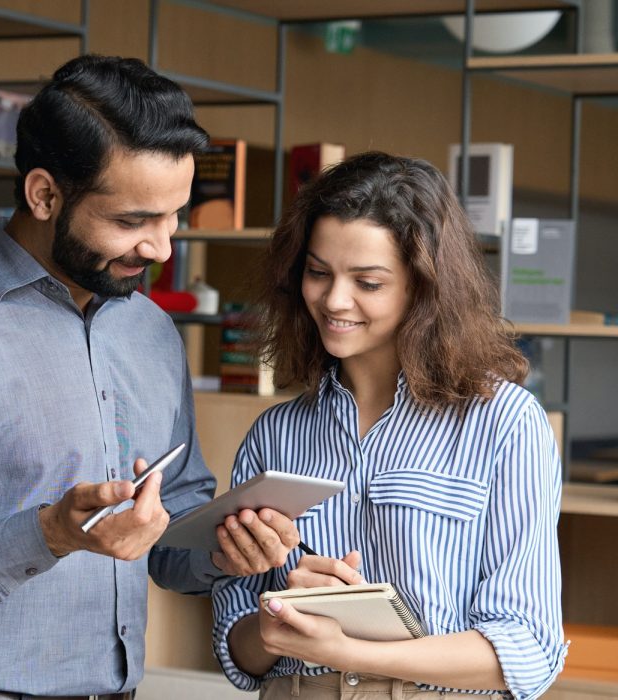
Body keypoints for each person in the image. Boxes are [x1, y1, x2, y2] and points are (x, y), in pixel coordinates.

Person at [0, 54, 299, 700]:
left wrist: (225, 550)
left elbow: (168, 535)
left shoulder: (153, 334)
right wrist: (46, 535)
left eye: (174, 216)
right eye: (133, 222)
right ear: (44, 194)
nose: (162, 248)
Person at [211, 152, 567, 700]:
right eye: (318, 272)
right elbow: (238, 649)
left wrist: (348, 652)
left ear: (424, 288)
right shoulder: (275, 434)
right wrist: (278, 624)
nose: (333, 300)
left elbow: (527, 647)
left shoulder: (505, 423)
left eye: (368, 282)